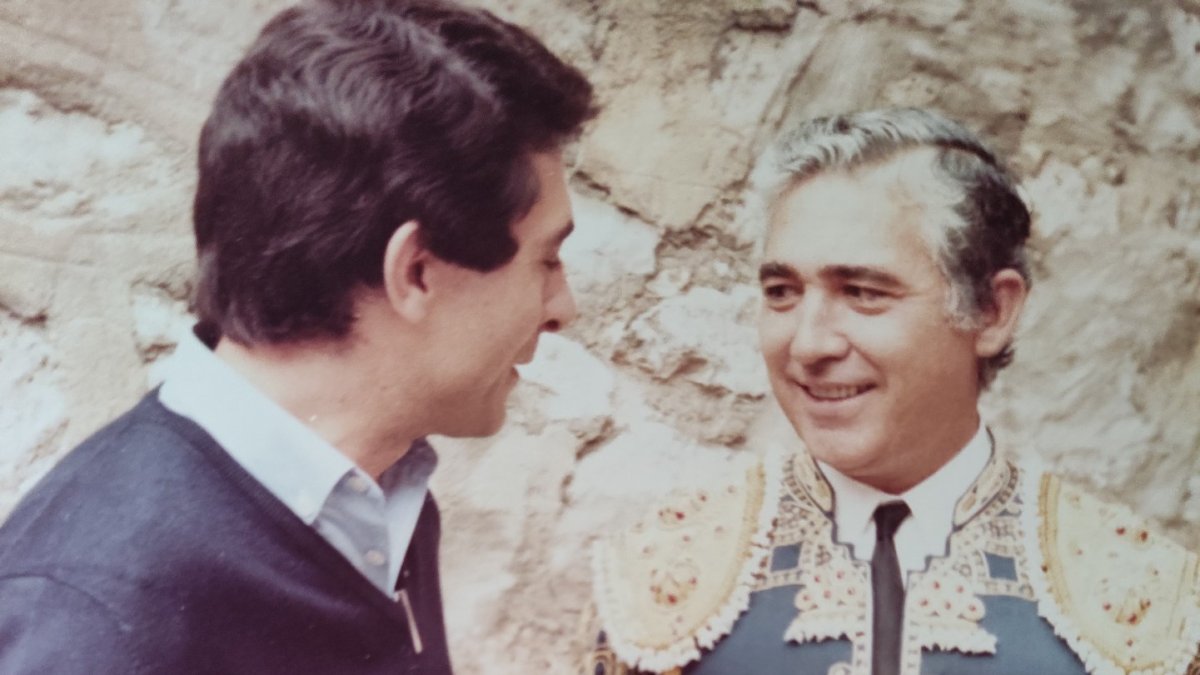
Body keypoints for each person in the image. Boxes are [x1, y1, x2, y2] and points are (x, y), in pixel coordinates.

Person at [0, 0, 594, 672]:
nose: (562, 307)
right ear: (417, 271)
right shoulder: (98, 617)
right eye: (546, 260)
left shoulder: (383, 509)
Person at [588, 109, 1200, 675]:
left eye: (862, 292)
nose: (807, 345)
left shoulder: (1147, 605)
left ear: (991, 311)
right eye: (781, 291)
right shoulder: (656, 578)